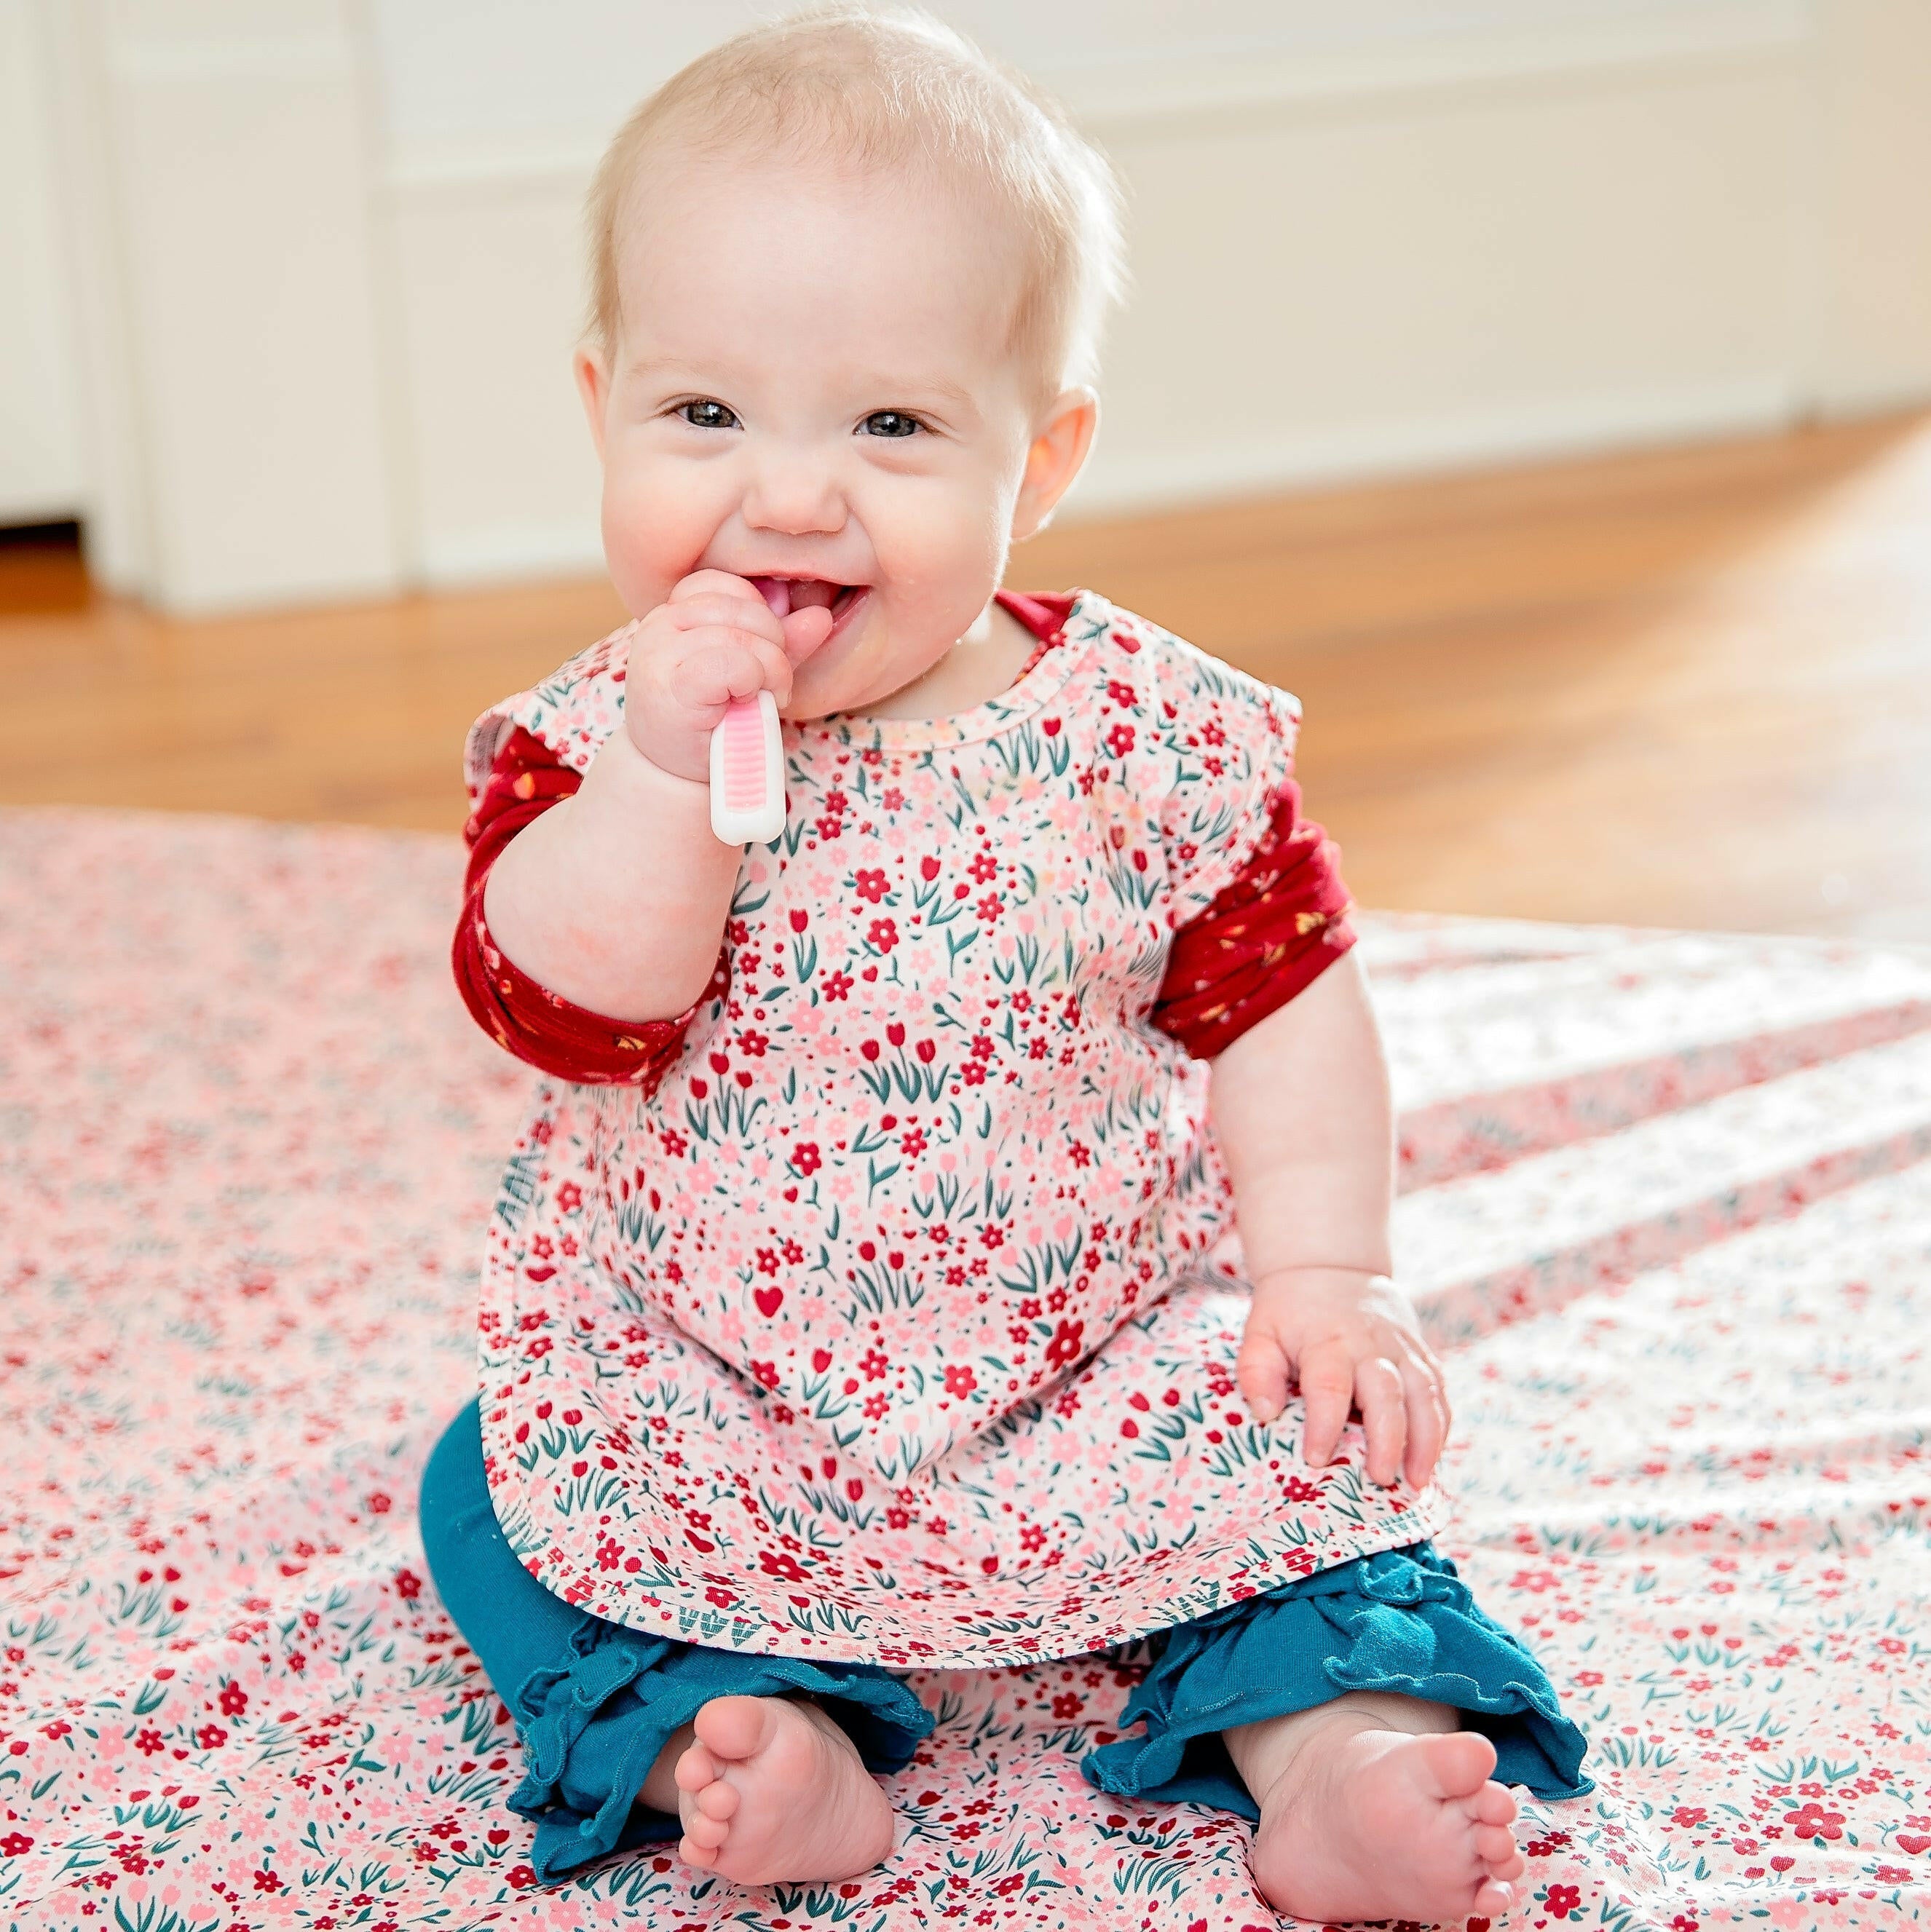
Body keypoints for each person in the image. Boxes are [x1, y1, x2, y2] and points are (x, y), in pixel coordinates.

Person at [419, 4, 1592, 1920]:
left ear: (1035, 458)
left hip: (1082, 1345)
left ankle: (1335, 1755)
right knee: (496, 1492)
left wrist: (1324, 1272)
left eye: (889, 424)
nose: (789, 495)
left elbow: (1285, 998)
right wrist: (657, 778)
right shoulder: (590, 737)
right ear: (599, 406)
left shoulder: (1138, 739)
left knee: (1305, 1477)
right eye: (705, 415)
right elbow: (567, 1002)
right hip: (712, 1366)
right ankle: (736, 1734)